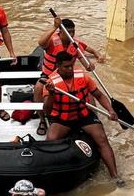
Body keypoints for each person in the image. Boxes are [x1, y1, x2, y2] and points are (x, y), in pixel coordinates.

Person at [43, 51, 119, 179]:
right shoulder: (51, 83)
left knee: (101, 138)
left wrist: (110, 110)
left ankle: (116, 176)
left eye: (71, 66)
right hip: (63, 119)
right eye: (66, 67)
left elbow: (99, 95)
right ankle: (50, 175)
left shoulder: (83, 77)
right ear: (58, 66)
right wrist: (51, 94)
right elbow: (47, 110)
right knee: (51, 141)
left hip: (83, 116)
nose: (70, 69)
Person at [33, 17, 104, 136]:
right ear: (60, 32)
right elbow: (40, 43)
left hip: (68, 74)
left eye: (73, 31)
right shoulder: (51, 41)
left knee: (88, 90)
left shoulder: (74, 43)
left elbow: (82, 56)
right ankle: (42, 120)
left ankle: (92, 117)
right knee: (38, 89)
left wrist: (89, 65)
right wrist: (55, 26)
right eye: (68, 32)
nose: (71, 34)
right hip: (49, 75)